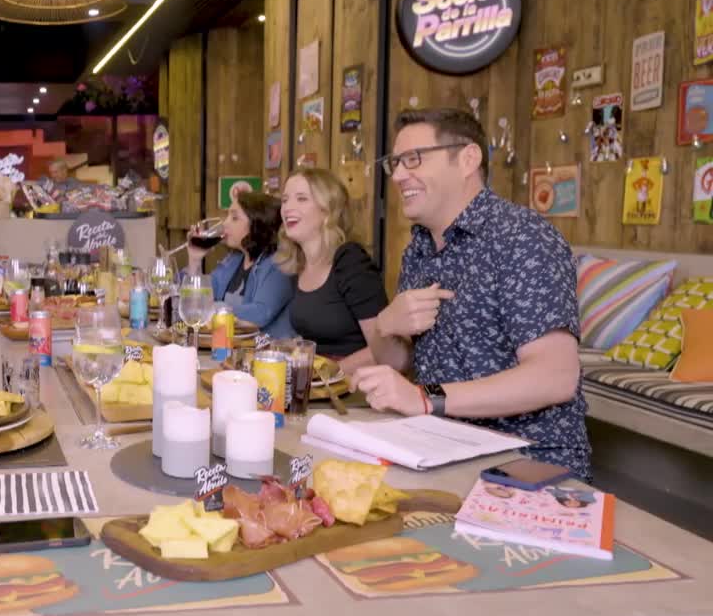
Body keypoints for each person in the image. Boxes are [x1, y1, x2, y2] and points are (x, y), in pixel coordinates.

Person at [352, 107, 590, 480]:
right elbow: (398, 362)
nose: (397, 175)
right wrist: (386, 324)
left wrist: (425, 398)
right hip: (441, 449)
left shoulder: (522, 238)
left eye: (413, 159)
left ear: (468, 159)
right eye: (395, 163)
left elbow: (555, 377)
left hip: (527, 463)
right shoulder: (418, 249)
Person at [278, 167, 388, 375]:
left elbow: (385, 351)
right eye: (285, 200)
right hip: (317, 380)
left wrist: (327, 374)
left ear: (327, 209)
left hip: (355, 383)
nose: (288, 208)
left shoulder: (350, 260)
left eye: (301, 199)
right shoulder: (299, 264)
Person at [184, 190, 295, 338]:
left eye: (234, 218)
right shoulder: (234, 260)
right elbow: (198, 300)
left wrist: (214, 309)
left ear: (258, 224)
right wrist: (194, 259)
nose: (225, 223)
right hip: (225, 344)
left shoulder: (279, 263)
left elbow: (261, 313)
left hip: (264, 349)